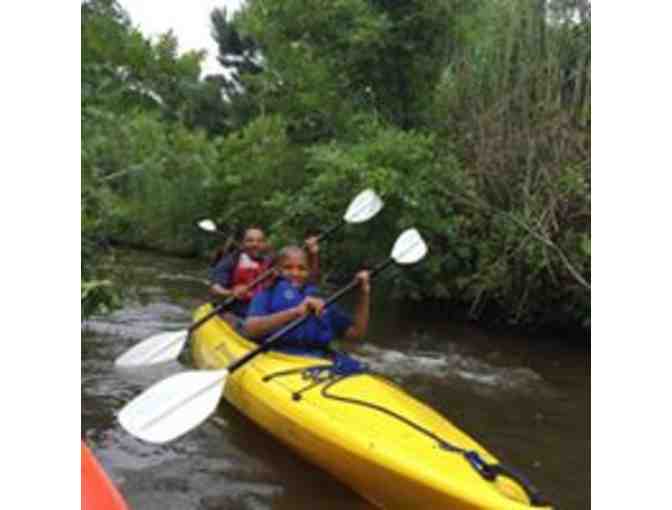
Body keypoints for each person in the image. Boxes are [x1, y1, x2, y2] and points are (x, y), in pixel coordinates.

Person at [244, 245, 370, 357]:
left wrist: (364, 295)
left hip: (316, 362)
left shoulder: (320, 299)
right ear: (277, 270)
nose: (295, 273)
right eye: (288, 267)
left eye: (301, 268)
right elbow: (250, 329)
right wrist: (295, 312)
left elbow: (356, 335)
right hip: (276, 356)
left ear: (308, 272)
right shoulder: (267, 294)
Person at [209, 228, 321, 319]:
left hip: (263, 313)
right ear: (243, 243)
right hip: (237, 310)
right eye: (250, 240)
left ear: (265, 244)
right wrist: (231, 292)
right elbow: (215, 288)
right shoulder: (232, 260)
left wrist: (313, 254)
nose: (255, 244)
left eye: (259, 241)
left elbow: (308, 280)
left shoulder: (273, 263)